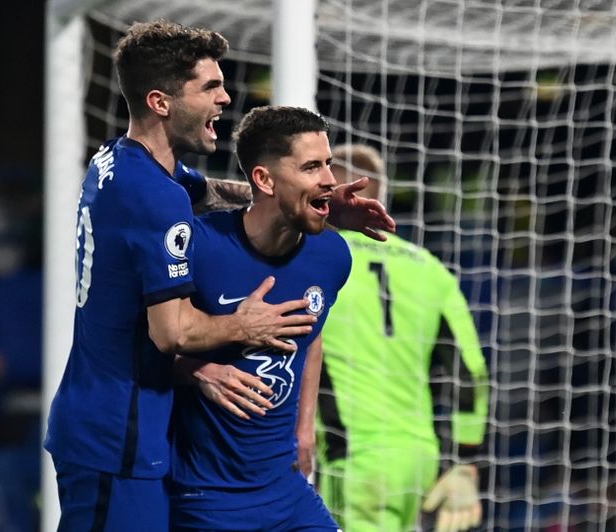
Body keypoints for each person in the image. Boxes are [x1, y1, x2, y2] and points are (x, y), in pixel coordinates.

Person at [44, 20, 394, 532]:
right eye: (209, 87)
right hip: (116, 433)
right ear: (162, 102)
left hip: (122, 422)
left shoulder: (120, 164)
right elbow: (174, 331)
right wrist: (244, 327)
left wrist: (311, 205)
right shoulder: (158, 200)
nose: (225, 98)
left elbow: (209, 189)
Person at [169, 105, 350, 532]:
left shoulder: (333, 256)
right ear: (264, 180)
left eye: (328, 164)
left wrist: (306, 426)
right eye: (311, 167)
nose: (330, 180)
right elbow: (137, 344)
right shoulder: (200, 247)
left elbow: (313, 335)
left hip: (286, 490)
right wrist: (198, 370)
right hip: (207, 496)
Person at [303, 144, 489, 532]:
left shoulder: (317, 260)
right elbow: (470, 370)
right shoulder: (430, 268)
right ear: (379, 200)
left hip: (352, 456)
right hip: (420, 459)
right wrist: (465, 458)